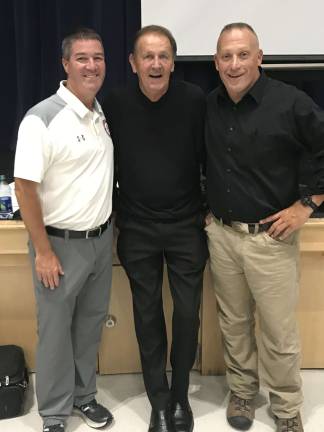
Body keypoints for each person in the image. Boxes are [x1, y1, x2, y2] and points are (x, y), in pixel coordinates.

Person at [205, 22, 324, 432]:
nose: (234, 63)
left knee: (278, 331)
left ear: (259, 57)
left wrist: (307, 205)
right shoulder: (209, 106)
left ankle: (287, 407)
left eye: (243, 54)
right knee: (233, 324)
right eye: (226, 56)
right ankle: (242, 391)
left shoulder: (291, 103)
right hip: (221, 236)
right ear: (216, 62)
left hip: (271, 240)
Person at [103, 25, 208, 432]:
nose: (156, 63)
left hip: (186, 226)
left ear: (174, 62)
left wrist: (209, 206)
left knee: (186, 313)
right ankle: (159, 402)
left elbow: (210, 155)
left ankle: (181, 396)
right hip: (138, 228)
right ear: (133, 64)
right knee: (147, 315)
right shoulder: (114, 103)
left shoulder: (194, 100)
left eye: (163, 55)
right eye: (147, 56)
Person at [14, 28, 114, 432]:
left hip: (100, 241)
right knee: (55, 334)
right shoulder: (42, 118)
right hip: (58, 245)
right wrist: (43, 252)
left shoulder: (98, 113)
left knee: (89, 327)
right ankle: (54, 413)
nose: (92, 65)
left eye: (98, 57)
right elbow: (24, 187)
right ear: (65, 64)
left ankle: (84, 397)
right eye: (82, 58)